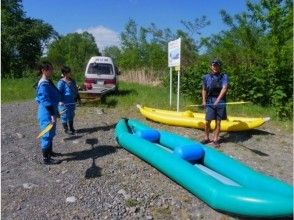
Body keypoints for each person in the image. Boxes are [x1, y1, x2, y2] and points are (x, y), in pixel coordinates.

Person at [35, 61, 62, 165]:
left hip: (51, 110)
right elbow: (45, 100)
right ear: (43, 70)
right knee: (46, 134)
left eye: (52, 69)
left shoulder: (48, 81)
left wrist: (56, 111)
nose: (52, 71)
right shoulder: (43, 84)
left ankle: (50, 152)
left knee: (51, 133)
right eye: (50, 69)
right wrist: (52, 114)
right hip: (46, 113)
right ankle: (46, 159)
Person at [201, 59, 229, 148]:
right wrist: (204, 101)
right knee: (207, 121)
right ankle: (206, 138)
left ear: (219, 66)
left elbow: (224, 88)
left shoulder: (224, 76)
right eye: (213, 65)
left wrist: (217, 101)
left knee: (218, 122)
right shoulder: (206, 77)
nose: (215, 67)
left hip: (220, 101)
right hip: (210, 100)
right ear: (211, 66)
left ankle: (215, 139)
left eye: (217, 65)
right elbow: (204, 89)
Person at [57, 66, 79, 135]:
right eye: (67, 72)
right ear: (64, 73)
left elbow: (75, 90)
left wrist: (78, 97)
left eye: (69, 72)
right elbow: (58, 92)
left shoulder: (72, 81)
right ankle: (66, 129)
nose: (69, 73)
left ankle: (72, 128)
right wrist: (60, 101)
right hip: (64, 103)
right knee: (64, 115)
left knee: (71, 115)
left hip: (72, 101)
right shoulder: (61, 82)